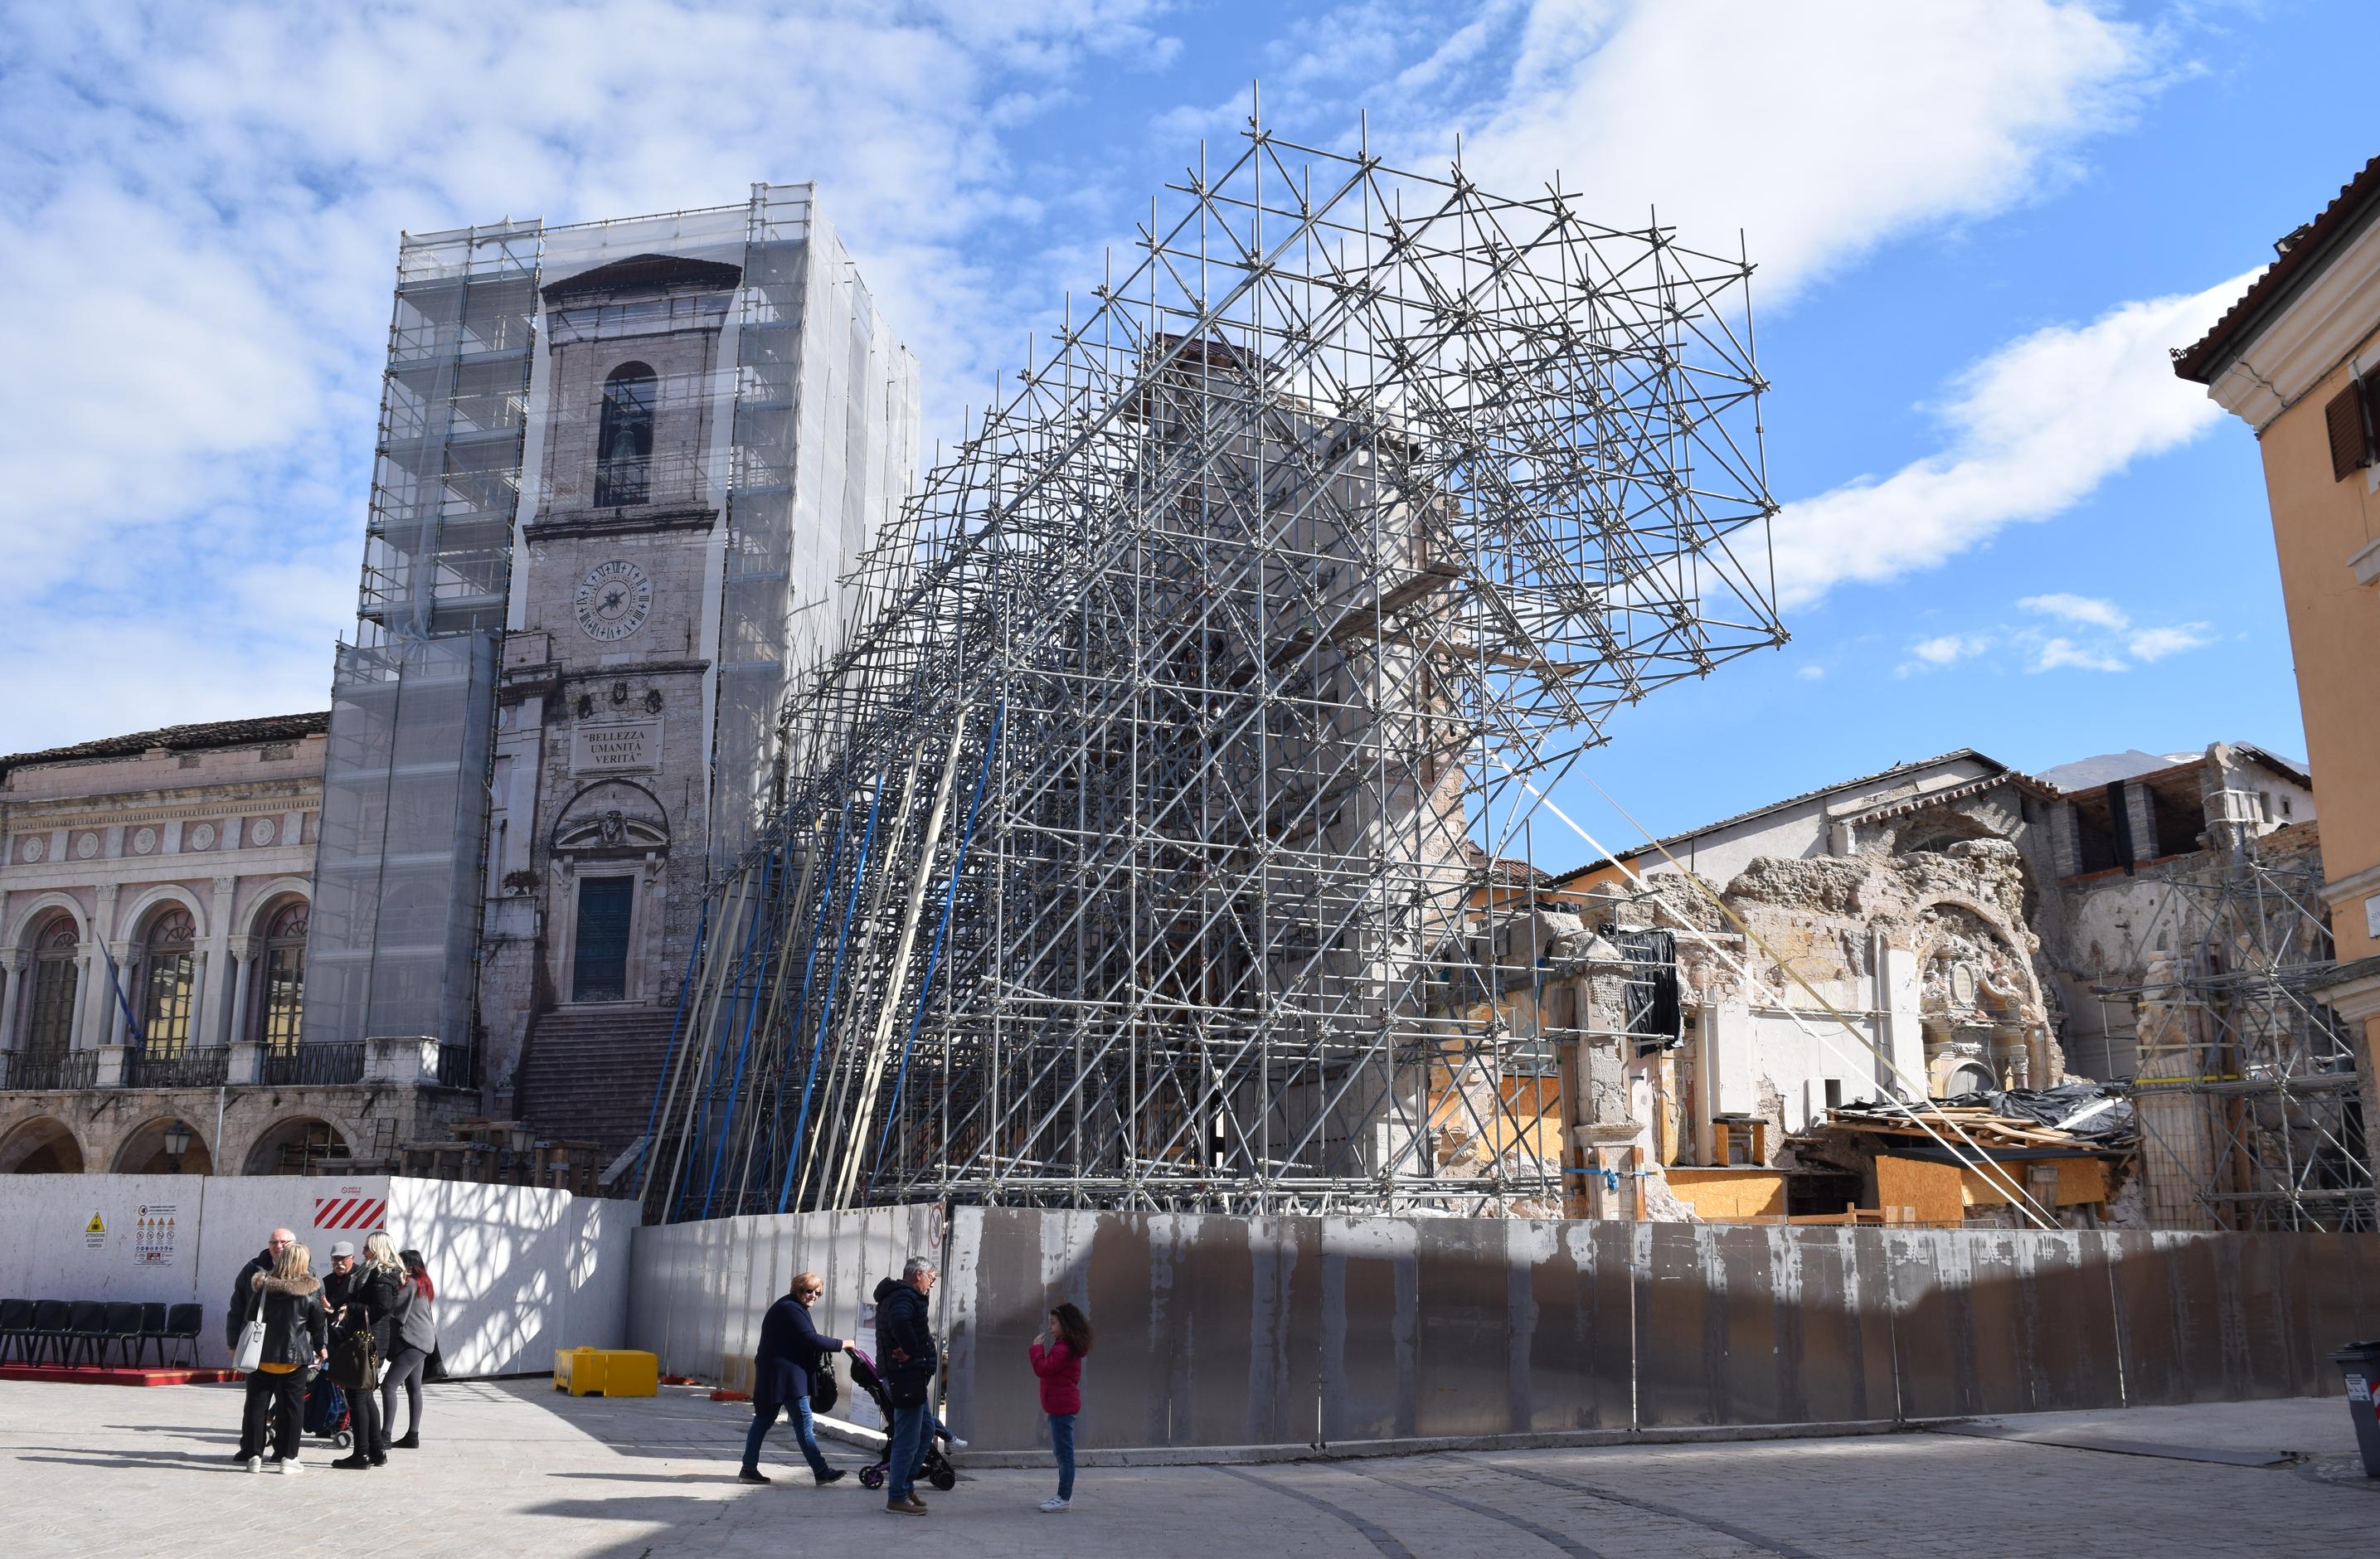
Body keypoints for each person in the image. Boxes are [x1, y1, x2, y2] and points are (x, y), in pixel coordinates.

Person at [741, 1270, 856, 1486]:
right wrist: (843, 1344)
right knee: (803, 1423)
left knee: (764, 1420)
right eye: (808, 1291)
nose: (813, 1295)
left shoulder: (791, 1306)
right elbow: (810, 1339)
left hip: (778, 1376)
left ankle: (748, 1468)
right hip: (786, 1378)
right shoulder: (790, 1309)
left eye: (817, 1292)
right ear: (796, 1290)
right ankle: (821, 1471)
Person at [235, 1241, 328, 1475]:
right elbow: (318, 1324)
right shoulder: (310, 1289)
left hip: (262, 1356)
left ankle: (254, 1455)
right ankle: (289, 1458)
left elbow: (249, 1316)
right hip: (294, 1359)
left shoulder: (263, 1287)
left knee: (257, 1406)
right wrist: (321, 1346)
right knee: (293, 1408)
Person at [323, 1232, 404, 1469]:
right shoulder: (375, 1273)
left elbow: (381, 1307)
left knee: (357, 1397)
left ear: (378, 1248)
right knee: (365, 1396)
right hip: (368, 1339)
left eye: (367, 1247)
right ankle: (377, 1452)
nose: (363, 1252)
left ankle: (361, 1454)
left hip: (368, 1341)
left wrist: (353, 1307)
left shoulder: (381, 1275)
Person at [872, 1255, 938, 1517]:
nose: (931, 1285)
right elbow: (899, 1321)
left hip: (909, 1376)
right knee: (908, 1438)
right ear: (919, 1274)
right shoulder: (904, 1297)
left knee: (925, 1430)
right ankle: (897, 1495)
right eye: (931, 1279)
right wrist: (910, 1350)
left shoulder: (902, 1295)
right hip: (905, 1375)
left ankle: (905, 1485)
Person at [224, 1227, 294, 1462]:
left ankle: (282, 1452)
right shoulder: (252, 1270)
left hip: (289, 1349)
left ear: (294, 1244)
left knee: (287, 1406)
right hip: (258, 1346)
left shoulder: (304, 1271)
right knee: (255, 1402)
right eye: (274, 1241)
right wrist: (234, 1342)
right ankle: (251, 1450)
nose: (279, 1246)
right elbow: (237, 1308)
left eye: (284, 1241)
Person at [1029, 1303, 1093, 1513]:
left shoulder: (1064, 1348)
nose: (1050, 1328)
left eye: (1053, 1323)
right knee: (1062, 1453)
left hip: (1062, 1407)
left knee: (1065, 1455)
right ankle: (1062, 1496)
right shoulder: (1064, 1346)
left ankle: (1063, 1497)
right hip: (1059, 1405)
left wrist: (1037, 1348)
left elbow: (1043, 1368)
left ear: (1065, 1325)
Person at [381, 1248, 437, 1450]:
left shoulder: (410, 1284)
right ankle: (412, 1436)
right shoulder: (424, 1284)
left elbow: (396, 1317)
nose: (396, 1266)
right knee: (414, 1388)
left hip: (412, 1342)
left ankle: (385, 1436)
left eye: (399, 1263)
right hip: (423, 1340)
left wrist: (387, 1347)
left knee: (388, 1386)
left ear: (410, 1266)